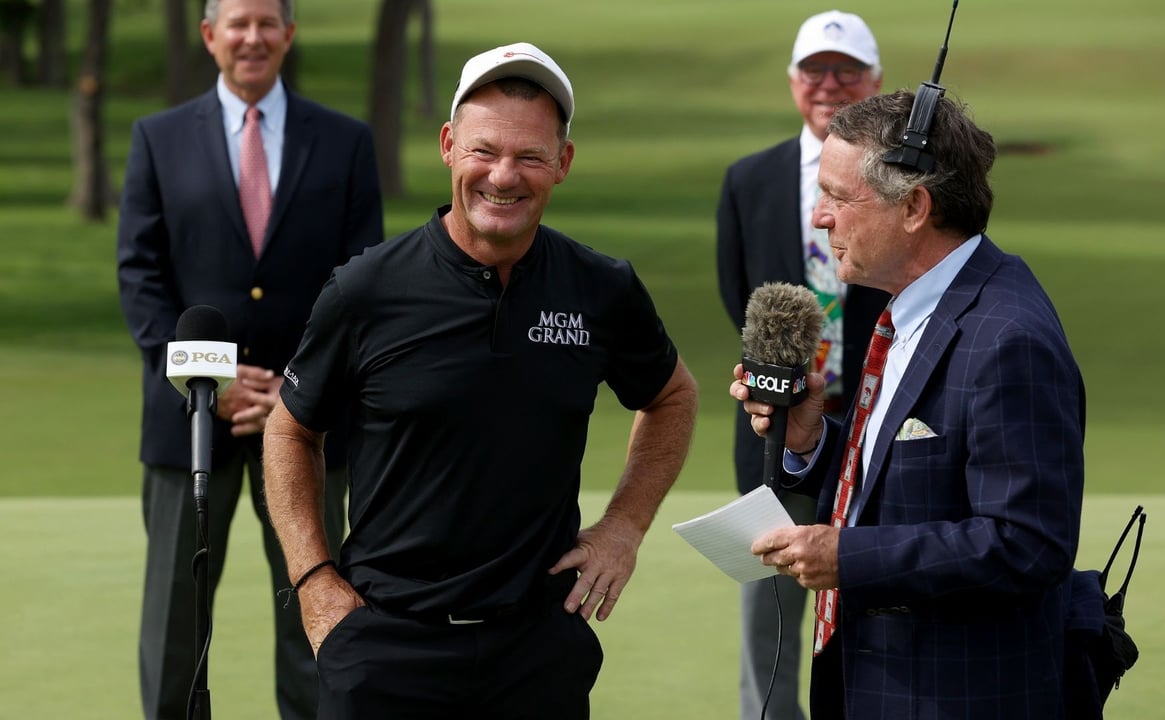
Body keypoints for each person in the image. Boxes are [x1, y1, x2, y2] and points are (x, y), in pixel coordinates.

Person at [261, 42, 699, 719]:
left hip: (536, 651)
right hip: (385, 647)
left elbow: (672, 396)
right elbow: (290, 431)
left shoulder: (600, 288)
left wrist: (623, 528)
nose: (503, 176)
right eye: (483, 151)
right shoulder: (367, 289)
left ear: (563, 162)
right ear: (448, 147)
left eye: (530, 156)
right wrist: (313, 580)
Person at [732, 90, 1086, 719]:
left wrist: (847, 557)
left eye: (838, 197)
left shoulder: (1008, 338)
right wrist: (813, 441)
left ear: (915, 207)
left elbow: (1028, 544)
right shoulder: (914, 307)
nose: (820, 218)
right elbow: (909, 482)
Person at [115, 0, 384, 717]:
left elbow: (362, 283)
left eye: (268, 23)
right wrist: (209, 381)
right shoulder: (157, 138)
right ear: (210, 36)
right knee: (176, 623)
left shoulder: (347, 142)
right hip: (187, 423)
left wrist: (295, 392)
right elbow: (141, 277)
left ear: (289, 34)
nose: (253, 37)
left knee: (315, 614)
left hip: (309, 426)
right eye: (237, 23)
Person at [715, 10, 890, 719]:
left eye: (847, 71)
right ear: (793, 81)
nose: (829, 84)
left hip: (882, 423)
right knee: (772, 618)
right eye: (815, 70)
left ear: (875, 83)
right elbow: (738, 293)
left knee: (880, 607)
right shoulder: (748, 179)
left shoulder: (902, 183)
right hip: (774, 433)